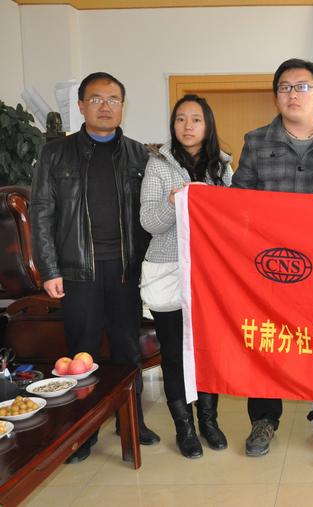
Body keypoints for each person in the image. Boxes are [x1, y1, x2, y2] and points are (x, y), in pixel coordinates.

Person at [30, 71, 160, 463]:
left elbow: (151, 214)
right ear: (81, 105)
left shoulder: (140, 155)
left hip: (125, 270)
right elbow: (41, 213)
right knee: (81, 354)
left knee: (127, 351)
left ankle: (131, 420)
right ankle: (83, 432)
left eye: (113, 99)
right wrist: (49, 269)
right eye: (97, 99)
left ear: (123, 106)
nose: (105, 106)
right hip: (77, 270)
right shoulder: (56, 154)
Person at [232, 58, 313, 457]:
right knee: (267, 343)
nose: (293, 94)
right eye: (284, 87)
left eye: (302, 87)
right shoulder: (256, 141)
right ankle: (264, 419)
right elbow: (238, 202)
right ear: (276, 96)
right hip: (269, 265)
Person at [140, 94, 231, 459]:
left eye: (196, 119)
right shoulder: (158, 164)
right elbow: (148, 222)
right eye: (180, 119)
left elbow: (231, 220)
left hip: (209, 274)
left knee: (209, 352)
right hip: (168, 270)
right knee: (175, 354)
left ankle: (209, 422)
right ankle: (185, 428)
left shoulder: (222, 166)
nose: (188, 126)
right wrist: (173, 202)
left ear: (207, 125)